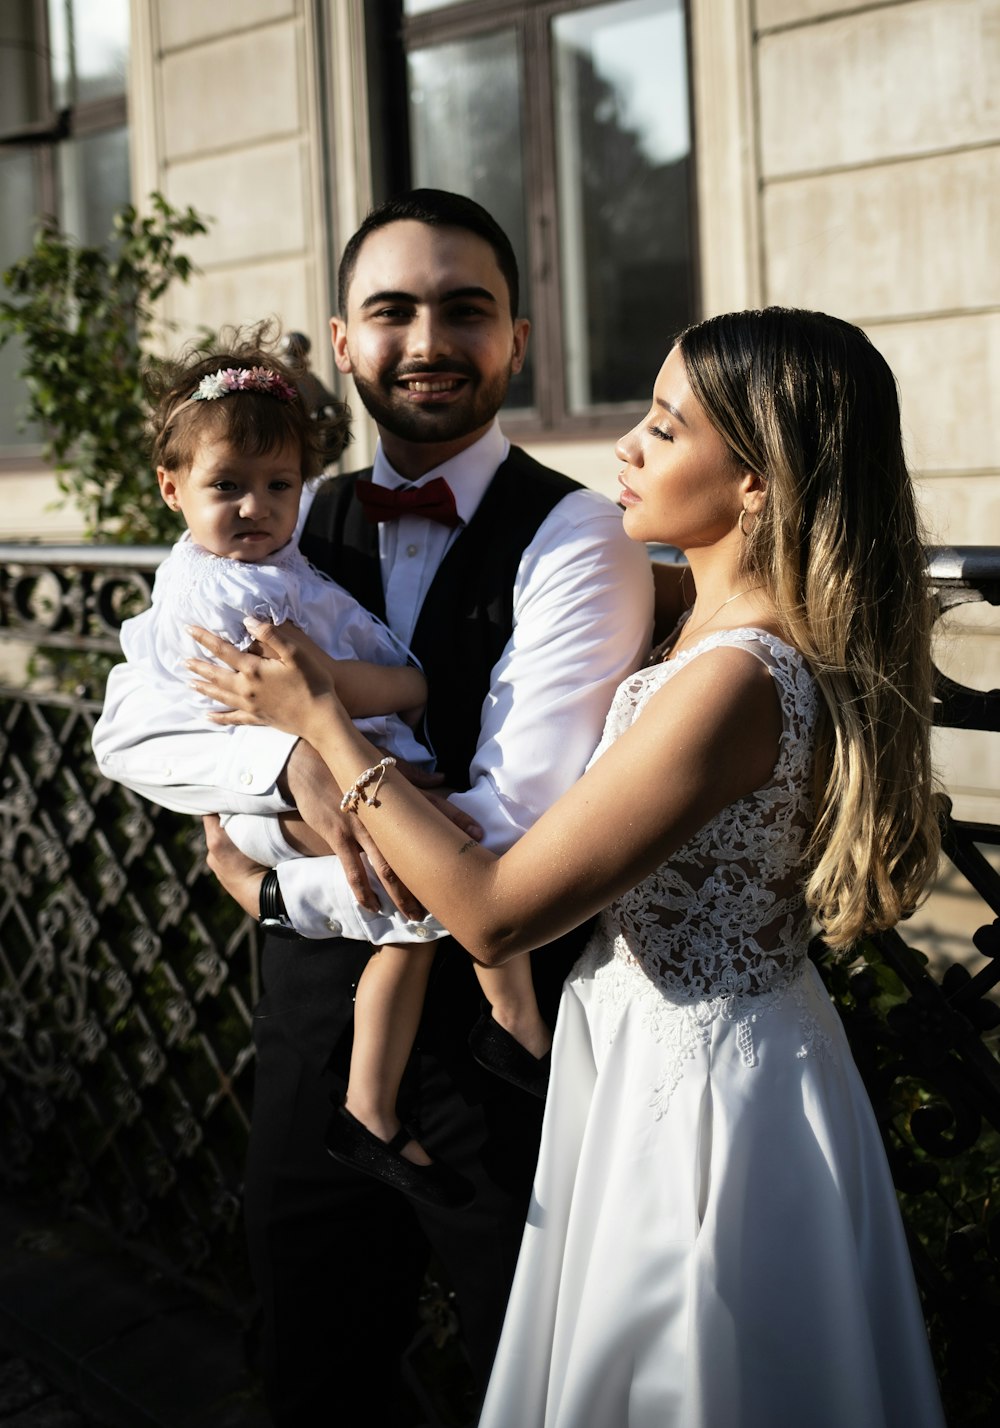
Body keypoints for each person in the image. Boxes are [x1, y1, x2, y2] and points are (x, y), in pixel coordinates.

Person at [187, 307, 947, 1428]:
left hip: (706, 1099)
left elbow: (496, 914)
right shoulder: (699, 621)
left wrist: (324, 727)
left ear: (755, 481)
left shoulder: (736, 680)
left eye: (662, 426)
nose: (624, 450)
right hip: (648, 1046)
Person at [91, 190, 654, 1424]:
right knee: (311, 1360)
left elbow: (510, 833)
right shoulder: (278, 518)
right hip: (303, 1027)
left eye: (467, 310)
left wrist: (263, 877)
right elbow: (132, 730)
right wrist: (281, 770)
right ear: (343, 344)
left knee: (535, 1372)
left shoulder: (575, 540)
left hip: (494, 1052)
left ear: (515, 341)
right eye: (393, 310)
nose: (429, 340)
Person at [99, 331, 560, 1209]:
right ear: (171, 489)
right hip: (293, 807)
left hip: (369, 775)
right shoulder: (219, 594)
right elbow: (154, 727)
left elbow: (362, 680)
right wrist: (298, 755)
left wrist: (373, 697)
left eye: (278, 487)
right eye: (225, 486)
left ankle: (391, 1096)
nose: (255, 508)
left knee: (421, 901)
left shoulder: (293, 564)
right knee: (431, 869)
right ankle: (502, 1031)